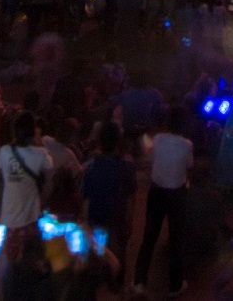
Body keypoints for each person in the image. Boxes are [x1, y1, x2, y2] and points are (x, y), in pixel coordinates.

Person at [133, 104, 193, 297]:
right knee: (176, 239)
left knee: (149, 237)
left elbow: (150, 155)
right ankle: (175, 284)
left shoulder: (158, 139)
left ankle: (139, 281)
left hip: (157, 192)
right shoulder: (187, 145)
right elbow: (189, 164)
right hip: (177, 194)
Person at [81, 121, 137, 265]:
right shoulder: (126, 166)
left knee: (99, 260)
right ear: (118, 141)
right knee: (117, 260)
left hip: (96, 220)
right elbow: (131, 197)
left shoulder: (90, 167)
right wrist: (129, 220)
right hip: (117, 221)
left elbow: (86, 198)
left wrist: (85, 223)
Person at [0, 112, 52, 243]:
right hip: (30, 215)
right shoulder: (40, 153)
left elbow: (0, 168)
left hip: (9, 215)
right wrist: (38, 141)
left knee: (10, 251)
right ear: (32, 131)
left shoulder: (4, 151)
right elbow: (50, 166)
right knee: (29, 251)